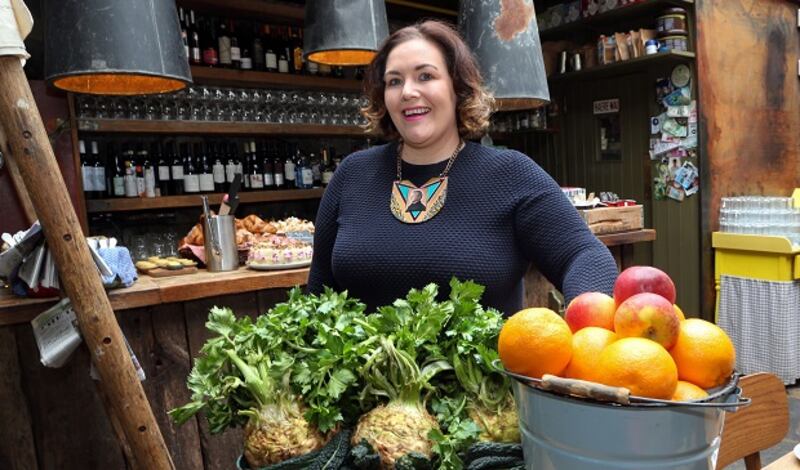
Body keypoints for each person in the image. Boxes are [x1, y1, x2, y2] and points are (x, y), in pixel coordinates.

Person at [308, 20, 618, 315]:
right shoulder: (352, 175)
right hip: (366, 370)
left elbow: (585, 256)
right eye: (394, 81)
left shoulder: (510, 174)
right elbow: (318, 293)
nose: (408, 92)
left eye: (425, 76)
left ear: (458, 88)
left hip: (481, 371)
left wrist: (587, 324)